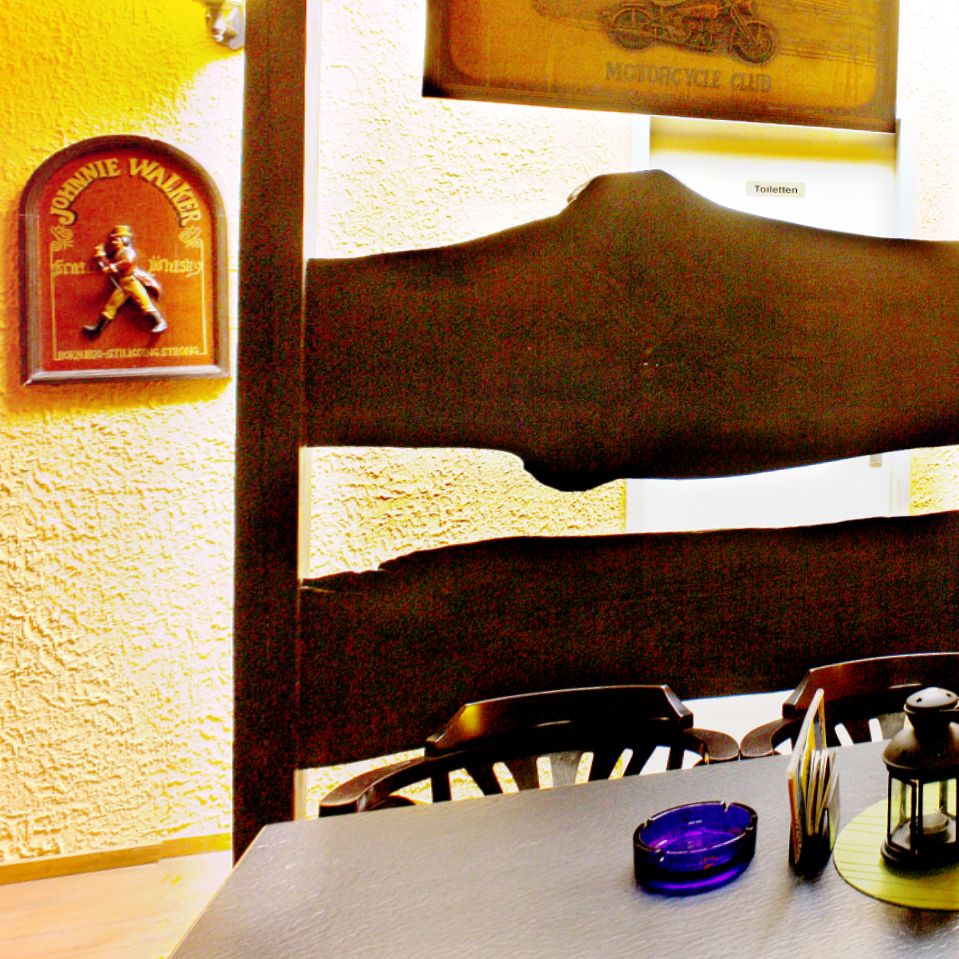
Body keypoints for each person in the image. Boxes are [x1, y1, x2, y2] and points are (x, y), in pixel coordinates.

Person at [83, 224, 166, 338]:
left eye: (116, 239)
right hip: (123, 284)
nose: (114, 242)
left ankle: (160, 322)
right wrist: (101, 256)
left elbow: (127, 262)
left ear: (124, 240)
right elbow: (110, 264)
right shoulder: (119, 253)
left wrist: (113, 267)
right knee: (111, 306)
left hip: (131, 282)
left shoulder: (128, 252)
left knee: (144, 303)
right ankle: (98, 329)